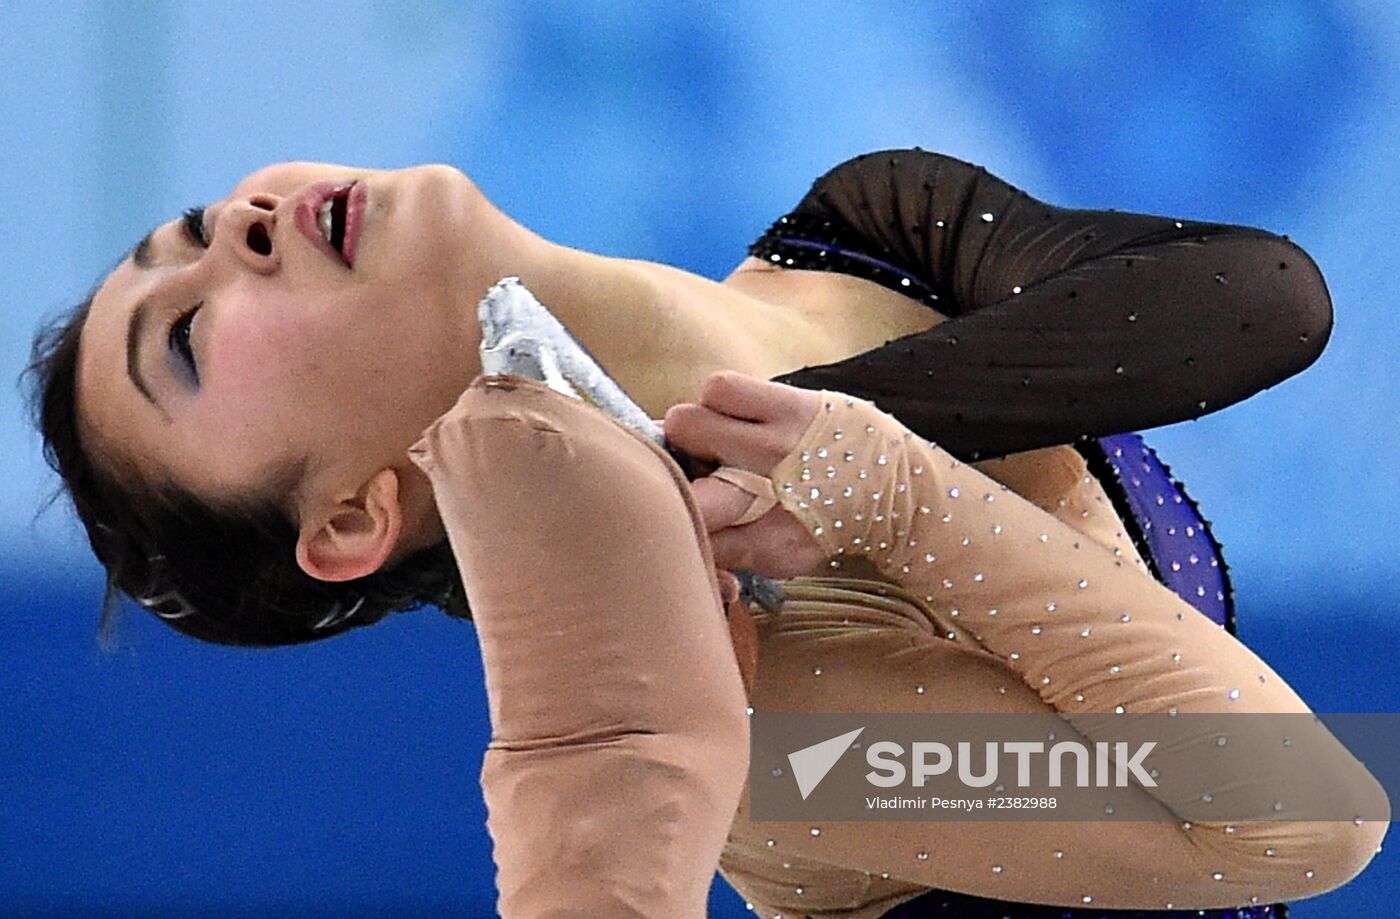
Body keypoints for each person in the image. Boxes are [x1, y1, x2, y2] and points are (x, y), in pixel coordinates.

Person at [26, 150, 1384, 916]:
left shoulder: (863, 233)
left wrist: (805, 436)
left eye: (195, 227)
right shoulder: (728, 690)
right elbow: (1303, 811)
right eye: (190, 339)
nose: (240, 229)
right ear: (351, 517)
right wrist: (888, 493)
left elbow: (1257, 303)